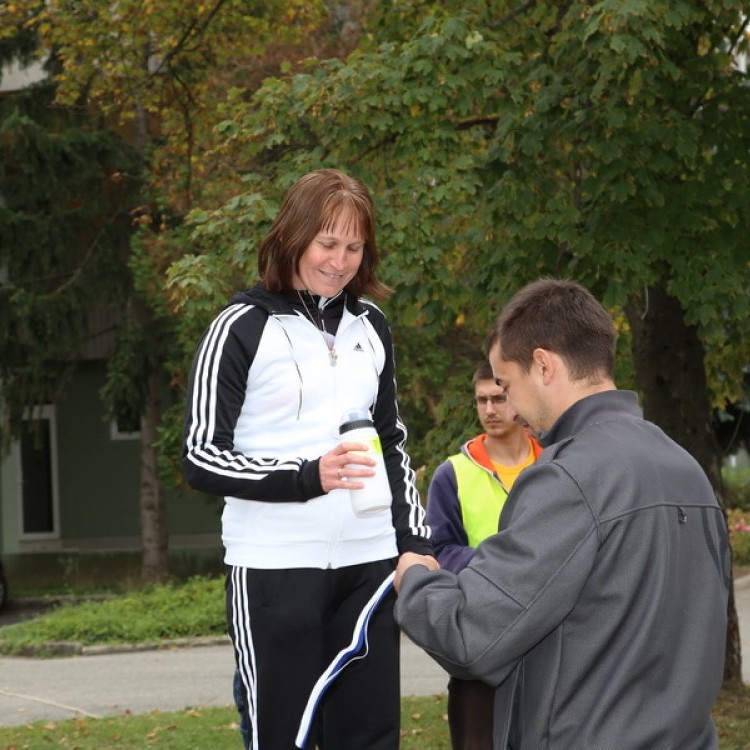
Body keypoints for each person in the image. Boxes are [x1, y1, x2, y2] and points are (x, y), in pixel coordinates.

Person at [394, 278, 730, 749]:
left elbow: (472, 633)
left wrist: (415, 579)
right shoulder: (685, 467)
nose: (507, 409)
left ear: (544, 365)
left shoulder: (568, 477)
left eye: (507, 386)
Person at [182, 168, 434, 750]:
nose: (339, 261)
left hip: (369, 568)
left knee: (370, 736)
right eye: (327, 243)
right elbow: (201, 457)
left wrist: (414, 543)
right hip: (274, 566)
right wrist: (304, 477)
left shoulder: (372, 327)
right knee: (286, 738)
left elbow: (391, 440)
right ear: (293, 237)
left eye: (354, 247)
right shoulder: (240, 327)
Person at [426, 360, 541, 749]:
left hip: (548, 626)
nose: (490, 410)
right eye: (481, 401)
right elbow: (439, 550)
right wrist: (500, 564)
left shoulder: (554, 463)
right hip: (480, 632)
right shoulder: (452, 473)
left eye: (499, 398)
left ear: (520, 399)